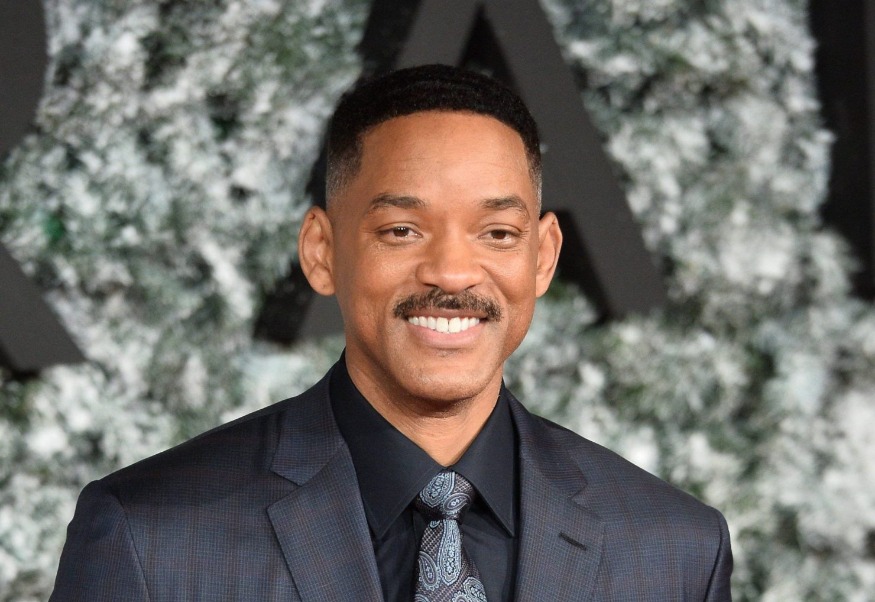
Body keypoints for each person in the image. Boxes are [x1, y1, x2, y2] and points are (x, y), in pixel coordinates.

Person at [51, 64, 732, 601]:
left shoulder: (675, 551)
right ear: (322, 251)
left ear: (543, 256)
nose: (452, 272)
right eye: (402, 230)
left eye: (497, 233)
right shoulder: (150, 536)